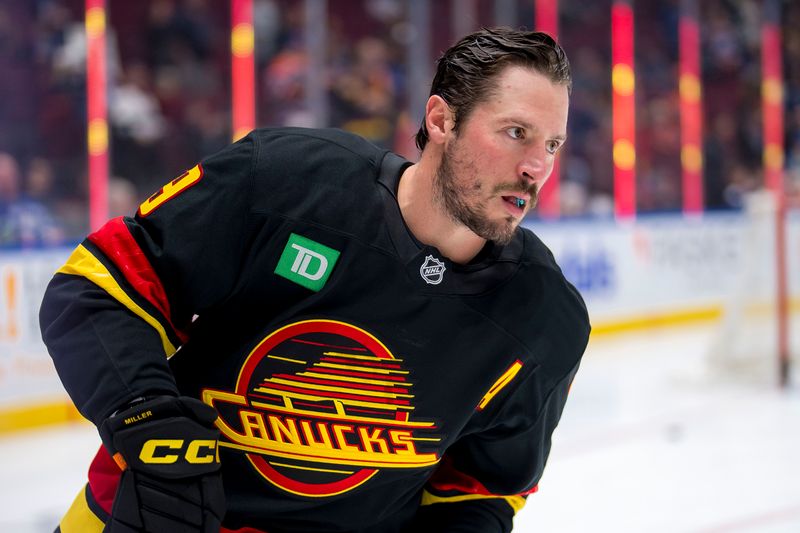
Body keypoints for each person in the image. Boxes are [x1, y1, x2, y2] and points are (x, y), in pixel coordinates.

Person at [40, 27, 589, 533]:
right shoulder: (285, 184)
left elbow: (482, 489)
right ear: (442, 121)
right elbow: (97, 290)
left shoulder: (544, 317)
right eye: (517, 132)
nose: (536, 167)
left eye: (551, 145)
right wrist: (148, 421)